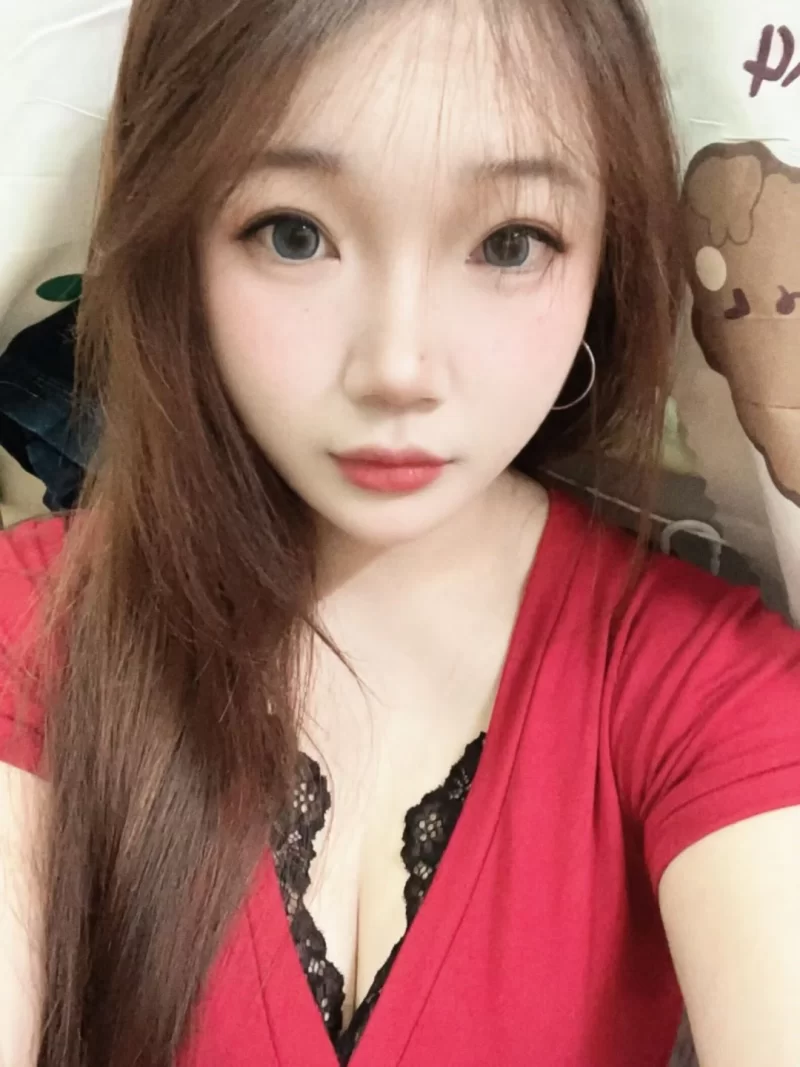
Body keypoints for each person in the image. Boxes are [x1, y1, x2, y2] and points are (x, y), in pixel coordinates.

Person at [1, 0, 799, 1064]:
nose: (398, 367)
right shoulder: (37, 629)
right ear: (178, 233)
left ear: (607, 249)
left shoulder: (704, 688)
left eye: (509, 243)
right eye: (294, 233)